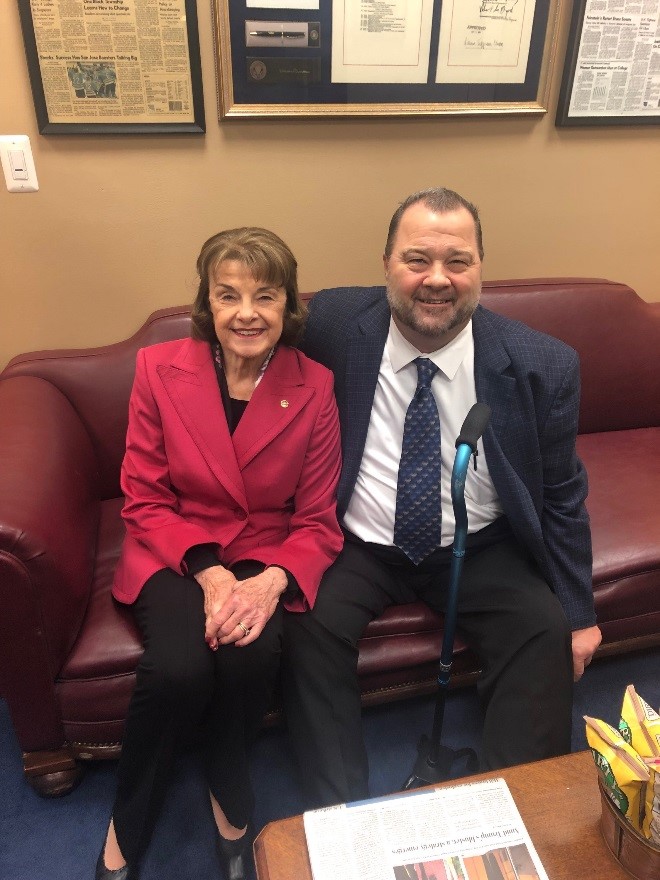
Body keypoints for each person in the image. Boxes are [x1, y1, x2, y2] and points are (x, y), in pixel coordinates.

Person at [282, 187, 602, 808]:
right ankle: (340, 814)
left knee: (543, 628)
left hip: (478, 543)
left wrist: (581, 611)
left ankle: (517, 813)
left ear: (481, 267)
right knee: (304, 628)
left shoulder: (541, 364)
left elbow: (562, 493)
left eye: (458, 261)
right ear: (384, 266)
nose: (437, 280)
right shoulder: (332, 325)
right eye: (417, 259)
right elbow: (243, 331)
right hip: (358, 541)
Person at [96, 227, 343, 880]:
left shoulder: (314, 386)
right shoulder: (159, 368)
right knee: (178, 669)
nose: (246, 313)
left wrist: (269, 582)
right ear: (207, 301)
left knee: (253, 654)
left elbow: (317, 517)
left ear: (287, 306)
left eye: (265, 296)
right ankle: (131, 812)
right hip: (172, 546)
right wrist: (208, 573)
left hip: (262, 554)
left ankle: (229, 789)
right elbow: (144, 496)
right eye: (228, 294)